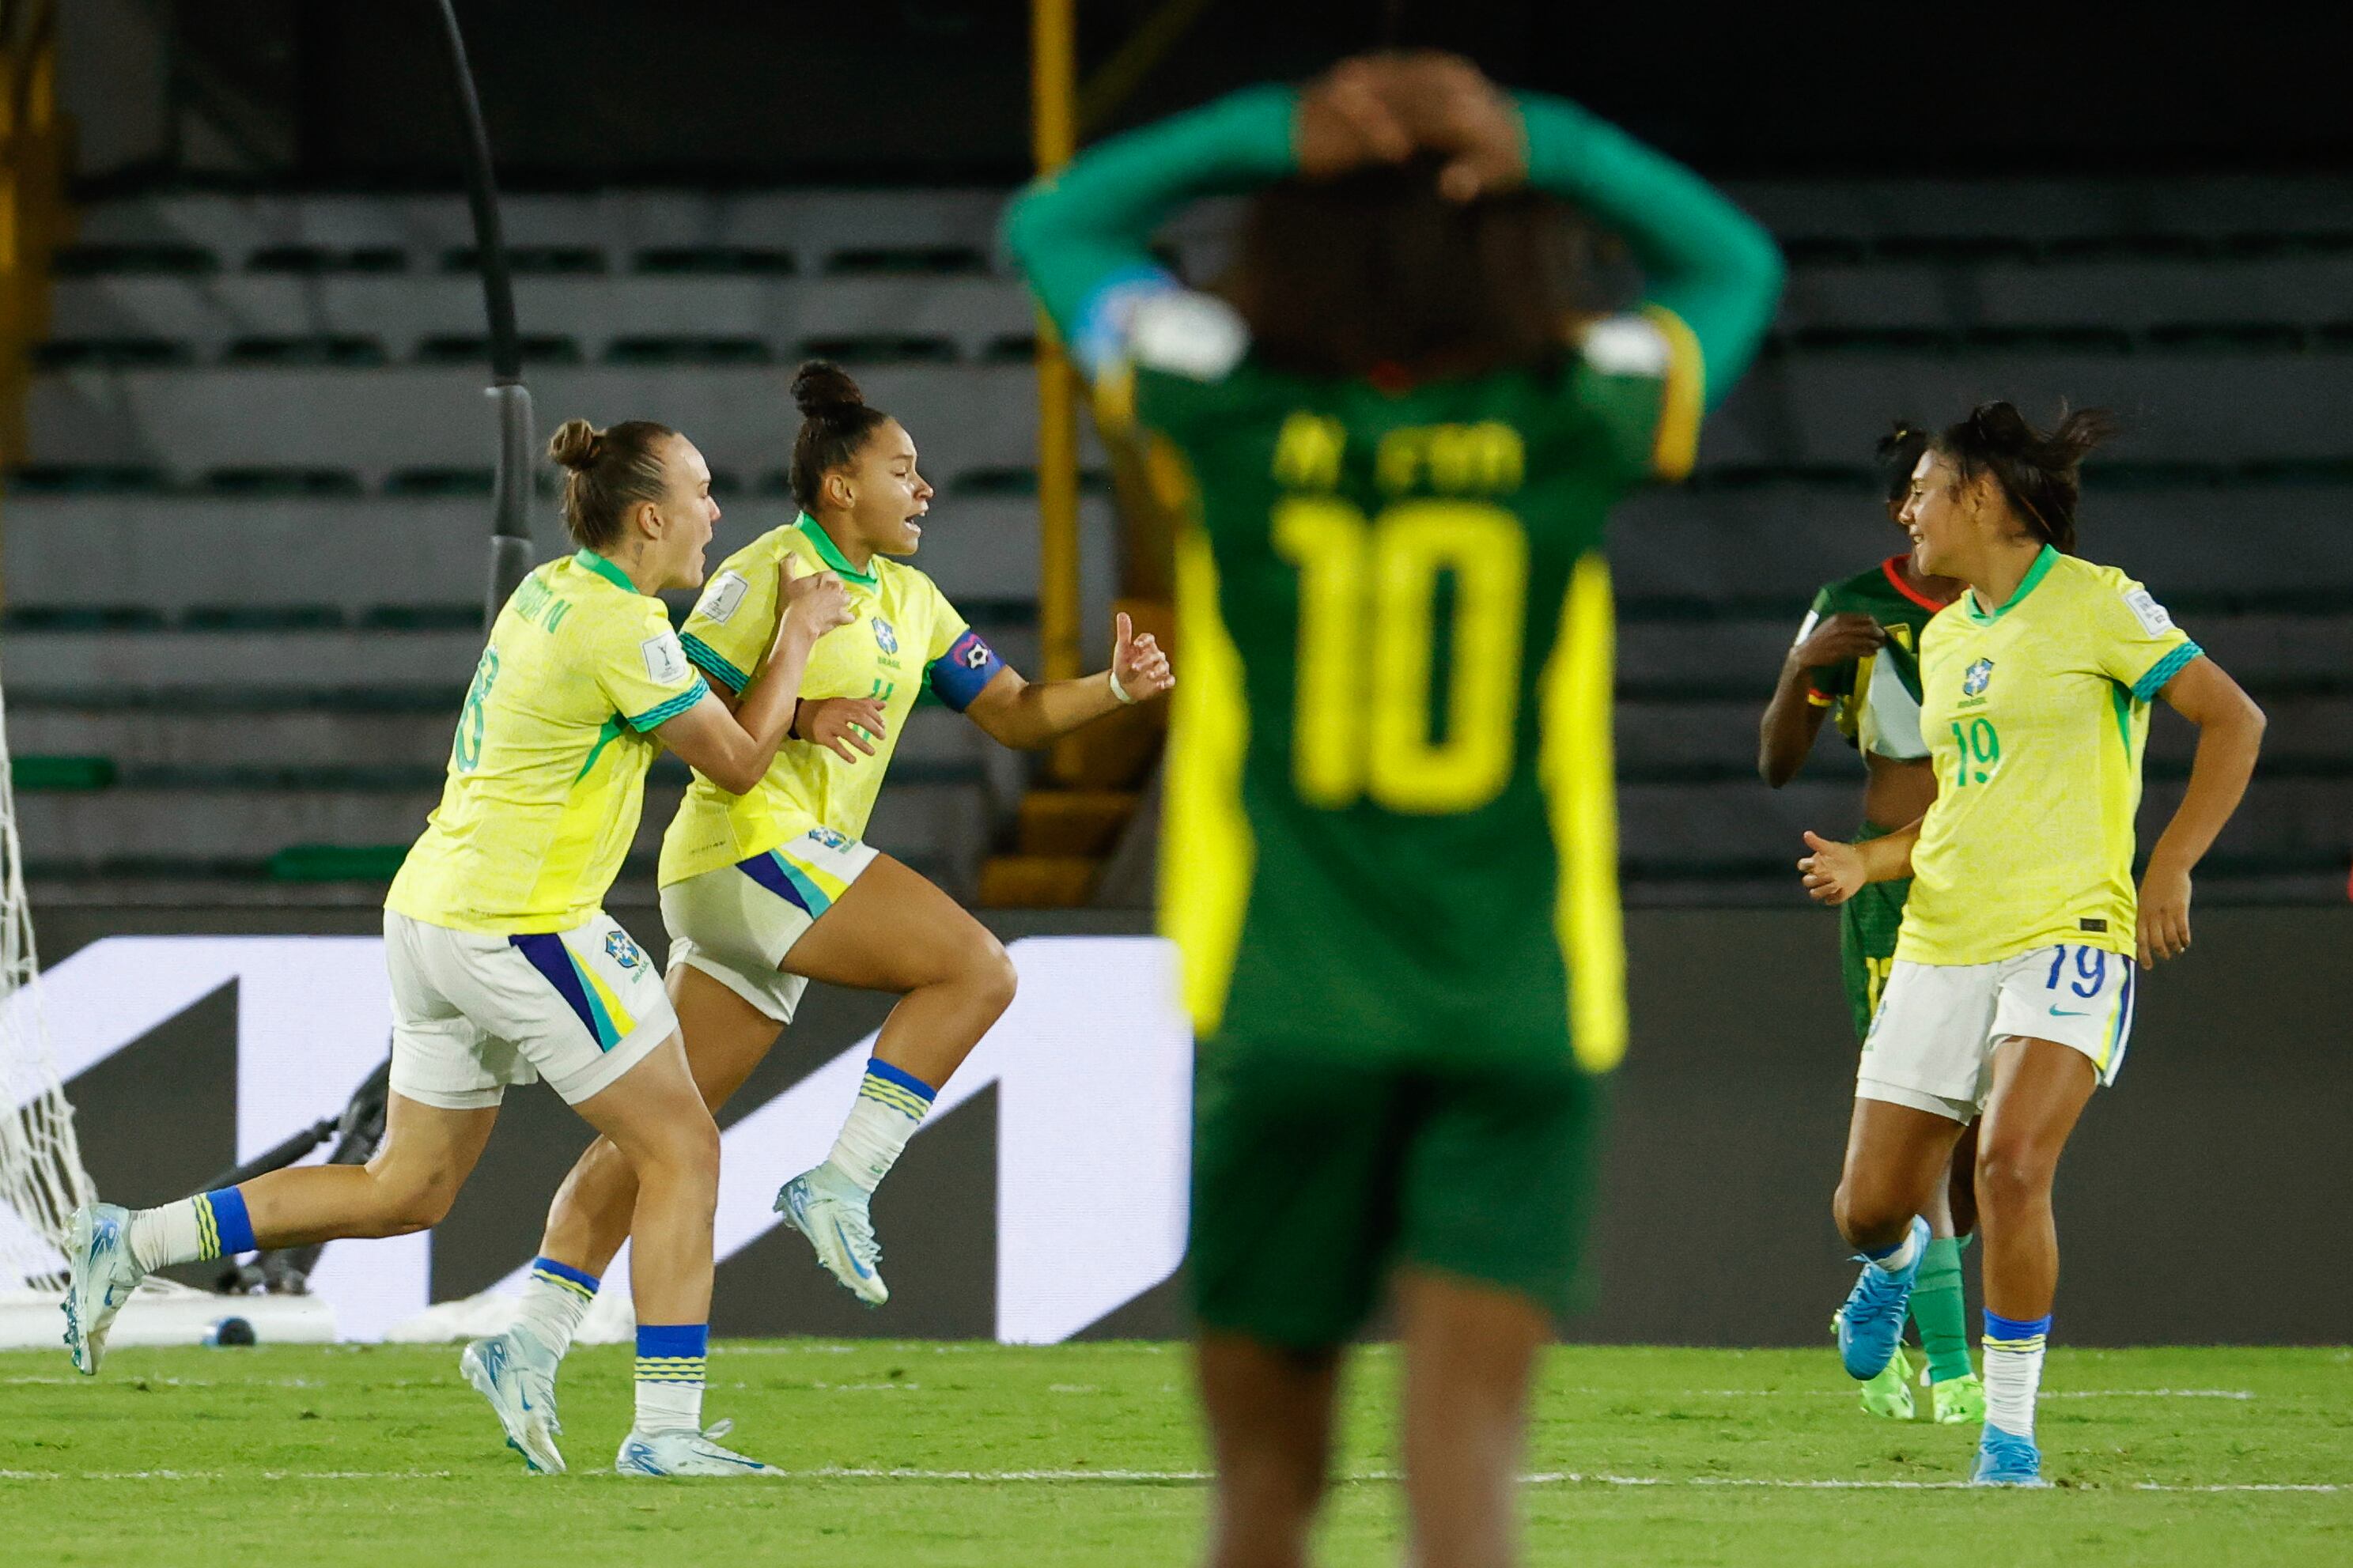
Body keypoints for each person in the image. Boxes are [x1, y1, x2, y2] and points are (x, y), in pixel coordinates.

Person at [1008, 52, 1780, 1568]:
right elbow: (1734, 264)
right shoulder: (1577, 403)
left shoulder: (1221, 396)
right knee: (1467, 1488)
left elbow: (1054, 224)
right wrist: (1546, 136)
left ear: (1289, 233)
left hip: (1289, 1000)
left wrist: (1268, 127)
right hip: (1516, 1009)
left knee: (1263, 1499)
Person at [64, 418, 855, 1480]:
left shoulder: (551, 592)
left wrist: (792, 710)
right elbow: (738, 763)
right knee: (684, 1150)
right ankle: (661, 1426)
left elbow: (675, 712)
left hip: (432, 911)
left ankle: (135, 1241)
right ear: (648, 516)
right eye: (701, 493)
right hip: (521, 924)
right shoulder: (622, 626)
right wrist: (798, 631)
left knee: (407, 1187)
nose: (716, 513)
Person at [458, 361, 1174, 1467]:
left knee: (659, 1139)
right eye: (901, 470)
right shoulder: (765, 572)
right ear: (840, 486)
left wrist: (1114, 691)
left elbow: (1015, 712)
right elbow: (681, 693)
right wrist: (799, 718)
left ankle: (535, 1342)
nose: (922, 488)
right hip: (748, 850)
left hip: (774, 880)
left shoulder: (912, 600)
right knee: (976, 968)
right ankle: (840, 1180)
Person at [1799, 402, 2264, 1485]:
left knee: (2008, 1165)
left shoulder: (2098, 603)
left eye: (1923, 490)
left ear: (1981, 496)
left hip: (2067, 929)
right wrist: (1872, 860)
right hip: (1940, 939)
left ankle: (2005, 1436)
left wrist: (2169, 863)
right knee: (1865, 1208)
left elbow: (2232, 718)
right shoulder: (1946, 635)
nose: (1906, 510)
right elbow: (1964, 805)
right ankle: (1894, 1263)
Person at [1758, 423, 1984, 1424]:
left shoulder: (2019, 605)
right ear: (1903, 506)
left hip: (2001, 880)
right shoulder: (1852, 607)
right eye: (1923, 492)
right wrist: (1799, 669)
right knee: (1923, 1120)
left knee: (1982, 1146)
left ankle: (1886, 1301)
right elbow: (1776, 761)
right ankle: (1954, 1371)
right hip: (1895, 888)